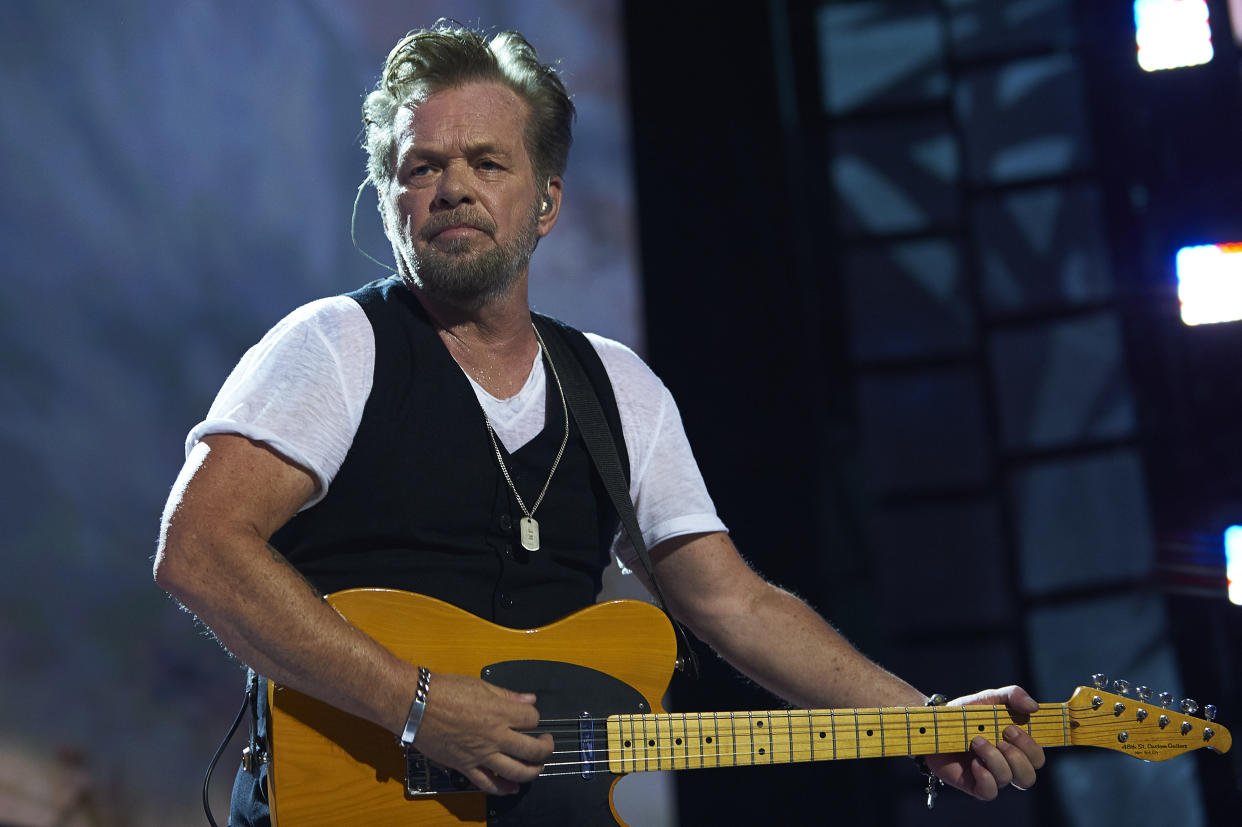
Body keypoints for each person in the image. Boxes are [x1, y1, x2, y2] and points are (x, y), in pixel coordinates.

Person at [154, 22, 1045, 825]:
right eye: (420, 167)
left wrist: (919, 718)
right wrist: (417, 704)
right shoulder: (335, 346)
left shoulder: (617, 386)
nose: (451, 187)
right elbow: (198, 550)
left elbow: (730, 600)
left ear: (546, 201)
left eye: (486, 163)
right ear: (391, 200)